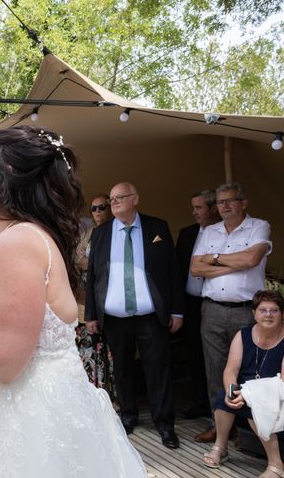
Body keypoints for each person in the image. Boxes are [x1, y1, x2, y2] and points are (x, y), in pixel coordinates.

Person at [0, 126, 147, 477]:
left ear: (5, 182)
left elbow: (3, 364)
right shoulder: (16, 236)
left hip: (15, 419)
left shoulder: (17, 242)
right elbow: (0, 324)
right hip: (16, 406)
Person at [86, 182, 183, 449]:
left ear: (135, 199)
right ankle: (128, 416)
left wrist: (176, 309)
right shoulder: (102, 233)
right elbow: (93, 276)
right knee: (124, 370)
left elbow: (172, 271)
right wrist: (91, 315)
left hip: (149, 315)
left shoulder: (157, 228)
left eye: (119, 198)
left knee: (158, 370)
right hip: (115, 316)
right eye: (111, 199)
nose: (113, 203)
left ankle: (165, 425)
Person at [191, 182, 271, 443]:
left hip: (245, 312)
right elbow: (195, 268)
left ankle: (250, 430)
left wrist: (212, 259)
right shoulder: (209, 230)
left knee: (249, 370)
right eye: (220, 201)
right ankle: (221, 428)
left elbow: (251, 260)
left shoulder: (259, 226)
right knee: (215, 370)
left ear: (243, 202)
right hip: (212, 310)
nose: (224, 205)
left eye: (230, 200)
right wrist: (230, 263)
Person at [202, 290, 284, 478]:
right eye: (263, 310)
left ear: (282, 314)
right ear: (254, 313)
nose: (268, 315)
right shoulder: (243, 335)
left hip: (275, 395)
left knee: (255, 405)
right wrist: (232, 391)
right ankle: (220, 448)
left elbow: (282, 384)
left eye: (274, 310)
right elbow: (231, 370)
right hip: (244, 393)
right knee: (224, 398)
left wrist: (249, 394)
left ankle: (276, 465)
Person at [175, 189, 219, 420]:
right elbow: (179, 271)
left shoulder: (224, 234)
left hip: (214, 303)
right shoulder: (187, 233)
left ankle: (221, 408)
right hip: (191, 304)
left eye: (199, 207)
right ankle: (200, 401)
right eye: (193, 207)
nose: (194, 212)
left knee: (217, 358)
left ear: (213, 208)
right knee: (194, 354)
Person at [75, 193, 117, 403]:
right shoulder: (89, 232)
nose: (98, 212)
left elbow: (110, 264)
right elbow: (77, 258)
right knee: (89, 350)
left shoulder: (116, 231)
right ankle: (94, 399)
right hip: (86, 300)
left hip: (111, 301)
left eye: (102, 207)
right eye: (94, 208)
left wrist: (89, 263)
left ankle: (114, 401)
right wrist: (92, 263)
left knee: (112, 354)